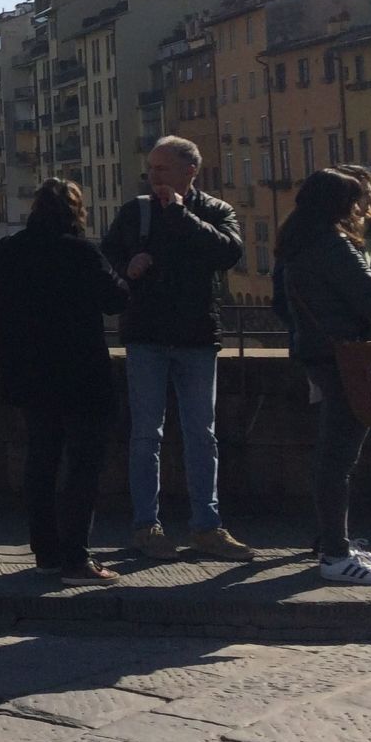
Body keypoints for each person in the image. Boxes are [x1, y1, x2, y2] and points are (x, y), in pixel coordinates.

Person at [271, 165, 371, 568]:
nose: (363, 205)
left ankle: (359, 538)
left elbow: (285, 302)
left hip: (341, 355)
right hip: (357, 357)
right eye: (356, 197)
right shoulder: (333, 244)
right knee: (342, 455)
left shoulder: (300, 241)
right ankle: (338, 548)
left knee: (344, 451)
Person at [101, 135, 254, 561]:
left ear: (191, 170)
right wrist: (127, 267)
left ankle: (207, 526)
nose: (153, 176)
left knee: (201, 436)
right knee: (146, 435)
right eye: (151, 169)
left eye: (162, 169)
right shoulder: (137, 211)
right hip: (146, 335)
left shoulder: (216, 211)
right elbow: (107, 255)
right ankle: (145, 526)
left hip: (196, 337)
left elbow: (227, 253)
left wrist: (182, 215)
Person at [0, 178, 131, 583]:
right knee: (83, 466)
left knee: (41, 461)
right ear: (76, 212)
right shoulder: (79, 251)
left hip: (26, 372)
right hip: (80, 373)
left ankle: (45, 552)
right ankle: (76, 560)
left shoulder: (10, 249)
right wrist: (133, 273)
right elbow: (116, 299)